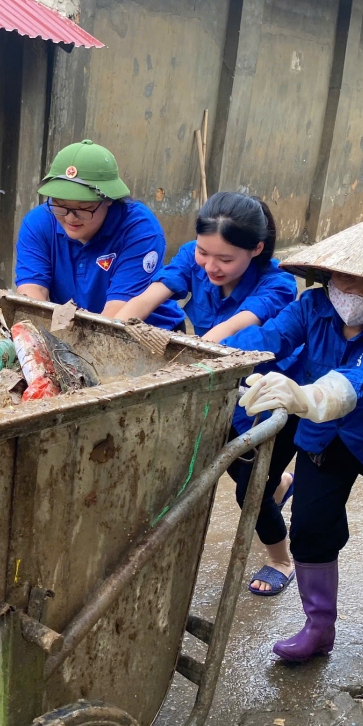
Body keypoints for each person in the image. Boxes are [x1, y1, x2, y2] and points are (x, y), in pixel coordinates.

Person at [225, 212, 363, 662]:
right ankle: (318, 625)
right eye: (344, 279)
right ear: (327, 274)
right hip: (324, 439)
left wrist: (302, 396)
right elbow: (267, 338)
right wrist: (222, 361)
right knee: (311, 528)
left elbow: (357, 385)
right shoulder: (312, 306)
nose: (353, 292)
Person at [116, 192, 301, 594]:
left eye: (225, 259)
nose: (211, 266)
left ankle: (281, 559)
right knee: (236, 467)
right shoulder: (192, 256)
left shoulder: (279, 285)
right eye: (204, 252)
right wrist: (110, 329)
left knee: (248, 489)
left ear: (256, 249)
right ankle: (282, 483)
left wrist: (186, 360)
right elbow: (149, 297)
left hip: (267, 397)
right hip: (219, 387)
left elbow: (227, 332)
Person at [15, 140, 185, 329]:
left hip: (146, 333)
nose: (71, 218)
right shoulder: (38, 222)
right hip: (72, 330)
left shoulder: (140, 231)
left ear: (109, 199)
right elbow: (32, 294)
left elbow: (117, 313)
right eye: (61, 205)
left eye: (84, 208)